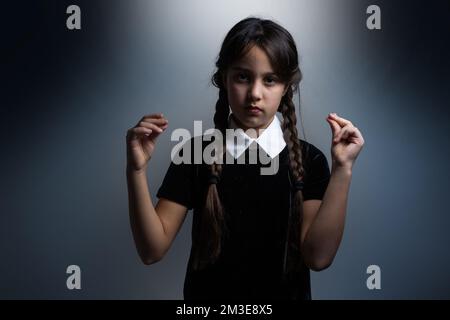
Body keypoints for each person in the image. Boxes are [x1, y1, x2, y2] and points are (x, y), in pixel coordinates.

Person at [126, 16, 365, 300]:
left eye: (270, 80)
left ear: (287, 85)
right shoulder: (194, 154)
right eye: (242, 77)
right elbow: (152, 251)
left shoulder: (310, 160)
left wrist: (343, 169)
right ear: (224, 79)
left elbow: (319, 258)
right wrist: (136, 171)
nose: (255, 94)